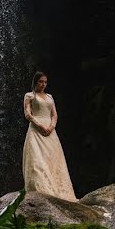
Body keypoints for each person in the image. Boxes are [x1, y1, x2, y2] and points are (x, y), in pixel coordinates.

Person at [22, 71, 77, 200]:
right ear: (35, 82)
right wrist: (40, 125)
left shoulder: (50, 97)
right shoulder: (29, 95)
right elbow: (27, 114)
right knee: (36, 160)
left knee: (53, 159)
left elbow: (54, 114)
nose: (43, 84)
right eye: (41, 81)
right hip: (36, 129)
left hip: (50, 131)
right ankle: (40, 191)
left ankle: (58, 190)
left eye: (45, 82)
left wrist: (51, 127)